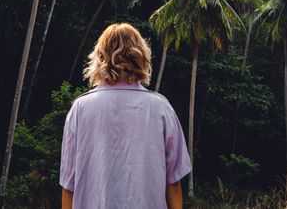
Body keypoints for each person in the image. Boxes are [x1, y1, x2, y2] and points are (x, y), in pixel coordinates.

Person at [60, 22, 191, 209]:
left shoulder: (80, 108)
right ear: (141, 56)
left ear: (99, 56)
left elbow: (68, 185)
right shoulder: (161, 108)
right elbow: (174, 184)